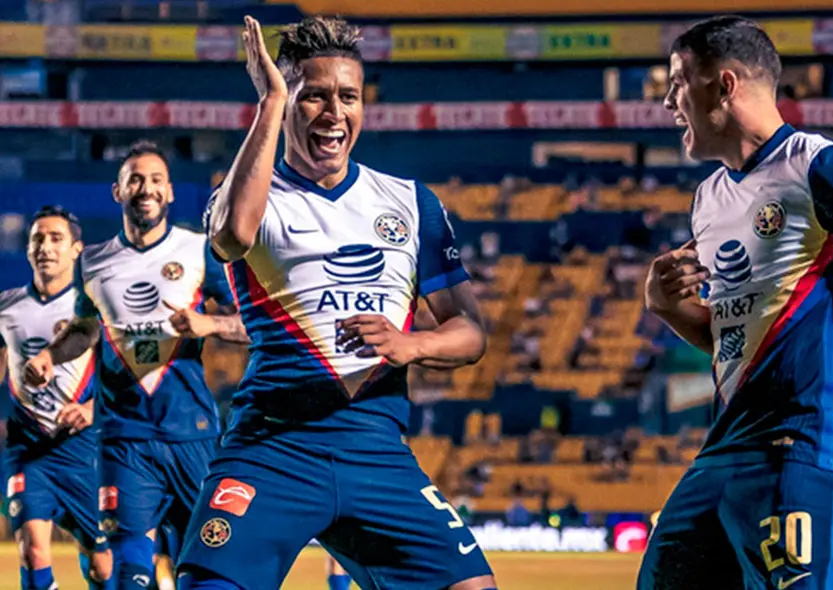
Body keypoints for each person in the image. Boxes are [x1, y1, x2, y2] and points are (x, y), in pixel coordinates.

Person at [176, 15, 495, 590]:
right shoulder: (252, 191)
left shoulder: (409, 202)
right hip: (274, 445)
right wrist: (271, 98)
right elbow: (229, 238)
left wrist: (412, 343)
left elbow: (470, 331)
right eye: (313, 96)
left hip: (375, 450)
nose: (334, 113)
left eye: (348, 96)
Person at [639, 17, 833, 589]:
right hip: (723, 449)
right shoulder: (708, 198)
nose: (667, 101)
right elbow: (734, 340)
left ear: (723, 84)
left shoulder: (818, 165)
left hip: (802, 447)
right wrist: (668, 307)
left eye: (678, 81)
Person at [23, 142, 248, 590]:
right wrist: (51, 354)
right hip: (125, 439)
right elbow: (86, 329)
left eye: (156, 180)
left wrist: (210, 323)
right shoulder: (93, 262)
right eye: (135, 180)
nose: (146, 188)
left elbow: (253, 324)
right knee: (130, 572)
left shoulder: (200, 250)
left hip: (193, 435)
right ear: (117, 191)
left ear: (169, 194)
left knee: (206, 570)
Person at [1, 206, 114, 590]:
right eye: (37, 239)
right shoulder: (7, 306)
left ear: (77, 249)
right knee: (32, 550)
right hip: (27, 448)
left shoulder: (96, 311)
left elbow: (126, 378)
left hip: (84, 451)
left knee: (103, 566)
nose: (45, 247)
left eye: (55, 239)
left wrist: (92, 408)